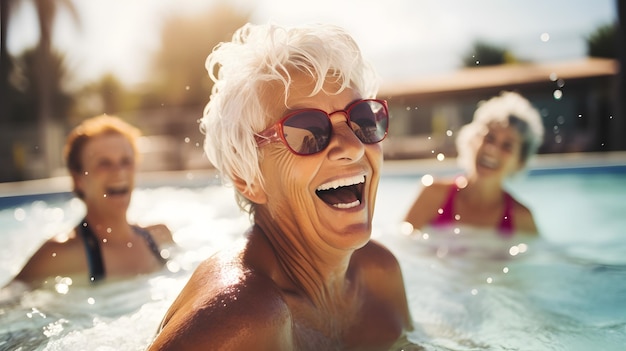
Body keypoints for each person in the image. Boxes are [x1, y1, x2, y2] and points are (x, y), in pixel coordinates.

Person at [147, 23, 414, 350]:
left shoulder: (378, 273)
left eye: (361, 119)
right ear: (248, 178)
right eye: (306, 131)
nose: (354, 147)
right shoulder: (243, 318)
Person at [12, 115, 174, 287]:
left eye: (126, 161)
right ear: (79, 180)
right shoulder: (61, 256)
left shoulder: (159, 237)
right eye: (104, 163)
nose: (119, 172)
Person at [404, 91, 544, 236]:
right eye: (489, 138)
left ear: (520, 161)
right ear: (473, 139)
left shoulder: (521, 219)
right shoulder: (433, 195)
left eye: (507, 146)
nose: (492, 149)